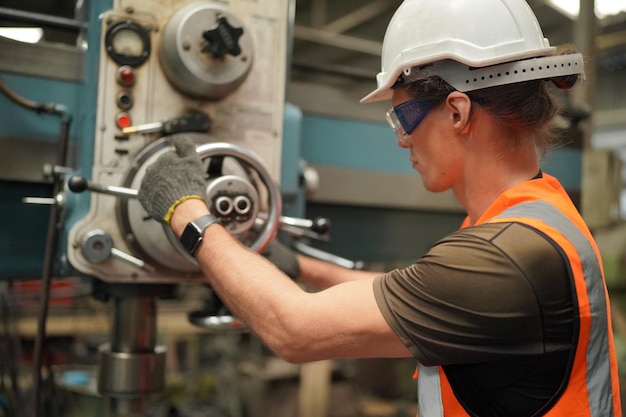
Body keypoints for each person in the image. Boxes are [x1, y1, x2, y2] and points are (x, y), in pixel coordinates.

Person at [137, 0, 622, 416]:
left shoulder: (505, 258)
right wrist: (301, 265)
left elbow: (294, 331)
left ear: (458, 112)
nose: (402, 140)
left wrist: (185, 210)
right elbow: (412, 292)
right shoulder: (533, 216)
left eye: (403, 116)